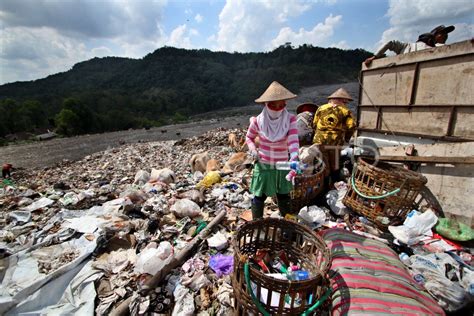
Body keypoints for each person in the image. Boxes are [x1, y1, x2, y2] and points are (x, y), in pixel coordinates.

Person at [246, 81, 299, 219]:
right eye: (273, 105)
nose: (277, 108)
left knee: (283, 197)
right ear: (266, 104)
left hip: (282, 165)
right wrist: (253, 150)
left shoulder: (290, 119)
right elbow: (249, 138)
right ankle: (257, 225)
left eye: (281, 105)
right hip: (263, 164)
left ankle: (288, 225)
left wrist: (294, 157)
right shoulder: (257, 121)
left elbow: (293, 141)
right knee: (259, 196)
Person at [312, 88, 355, 184]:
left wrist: (319, 134)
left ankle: (325, 185)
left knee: (323, 164)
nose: (346, 104)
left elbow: (314, 124)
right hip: (335, 142)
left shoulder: (321, 108)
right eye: (345, 102)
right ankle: (334, 184)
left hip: (319, 141)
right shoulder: (346, 111)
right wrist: (347, 138)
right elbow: (351, 126)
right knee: (335, 165)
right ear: (341, 100)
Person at [364, 32, 435, 66]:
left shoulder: (406, 46)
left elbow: (389, 43)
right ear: (430, 41)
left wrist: (374, 57)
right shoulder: (434, 50)